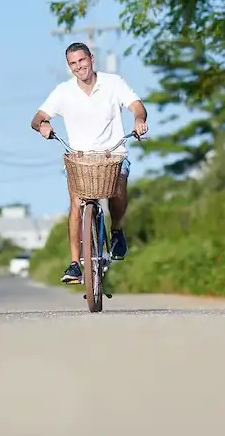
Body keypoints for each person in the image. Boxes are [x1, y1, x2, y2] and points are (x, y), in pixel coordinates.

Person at [30, 42, 148, 284]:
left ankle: (116, 229)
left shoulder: (113, 83)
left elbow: (137, 106)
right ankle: (75, 263)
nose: (78, 67)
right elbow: (38, 117)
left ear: (91, 58)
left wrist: (139, 120)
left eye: (81, 61)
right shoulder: (64, 91)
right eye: (73, 63)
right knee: (76, 203)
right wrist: (43, 125)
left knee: (118, 189)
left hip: (113, 154)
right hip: (80, 158)